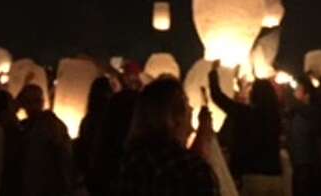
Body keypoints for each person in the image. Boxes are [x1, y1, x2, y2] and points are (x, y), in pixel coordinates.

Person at [116, 76, 219, 196]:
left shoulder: (131, 162)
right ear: (175, 118)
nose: (191, 109)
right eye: (187, 103)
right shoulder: (193, 171)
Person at [207, 62, 282, 195]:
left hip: (252, 177)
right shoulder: (275, 117)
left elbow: (218, 96)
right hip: (276, 177)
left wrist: (213, 72)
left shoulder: (245, 114)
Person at [18, 84, 76, 196]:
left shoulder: (50, 124)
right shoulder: (24, 126)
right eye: (29, 101)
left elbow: (64, 157)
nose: (33, 106)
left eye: (37, 101)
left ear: (42, 102)